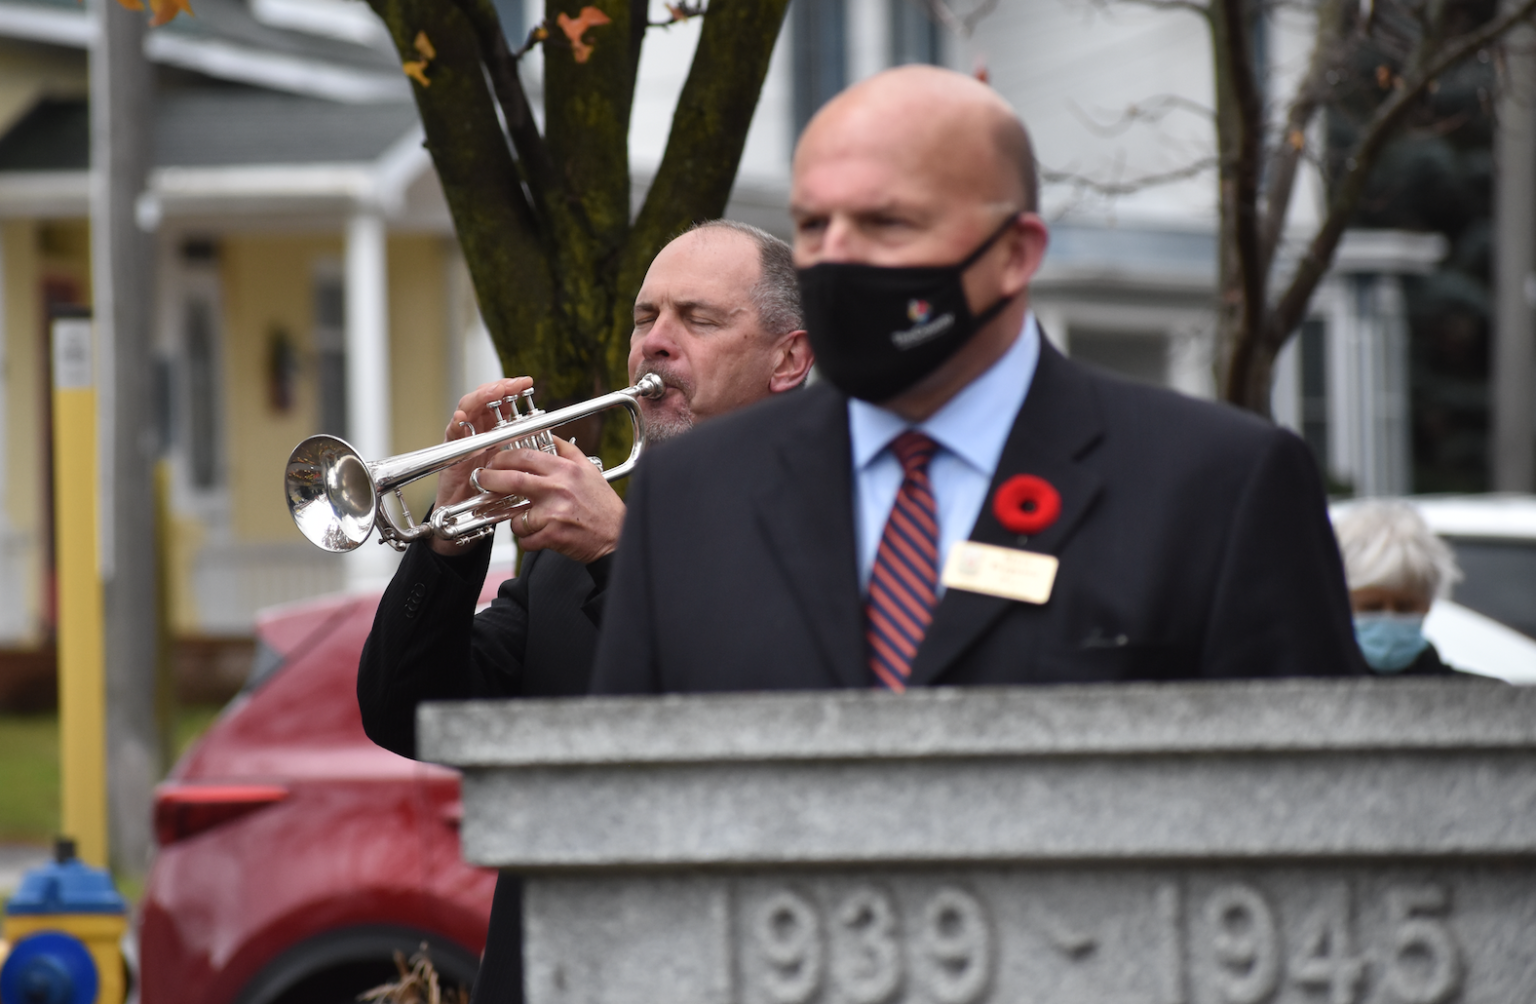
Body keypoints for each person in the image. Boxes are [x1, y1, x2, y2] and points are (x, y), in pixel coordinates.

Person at [590, 65, 1367, 695]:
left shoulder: (1218, 485)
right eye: (816, 225)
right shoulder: (691, 493)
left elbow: (1309, 818)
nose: (840, 257)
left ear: (1015, 254)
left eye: (889, 223)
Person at [356, 219, 812, 1004]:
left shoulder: (837, 537)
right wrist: (450, 535)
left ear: (789, 359)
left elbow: (761, 737)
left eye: (698, 320)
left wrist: (617, 552)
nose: (656, 343)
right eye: (645, 319)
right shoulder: (563, 571)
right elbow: (406, 712)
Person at [1333, 499, 1463, 674]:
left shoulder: (1483, 695)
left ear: (1427, 605)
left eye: (1405, 607)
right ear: (1340, 606)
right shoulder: (1304, 693)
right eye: (1372, 608)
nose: (1389, 617)